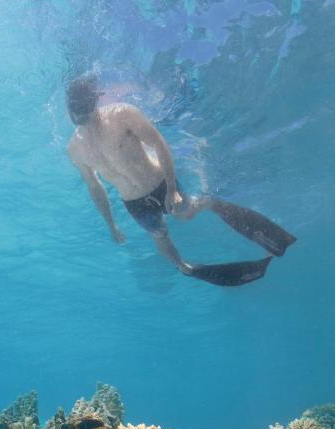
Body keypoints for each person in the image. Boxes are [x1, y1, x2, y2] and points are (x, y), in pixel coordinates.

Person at [66, 74, 296, 286]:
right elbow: (95, 187)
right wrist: (111, 224)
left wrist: (172, 189)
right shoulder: (75, 149)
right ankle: (183, 266)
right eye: (75, 110)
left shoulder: (122, 114)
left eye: (82, 108)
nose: (79, 115)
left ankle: (210, 203)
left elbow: (158, 143)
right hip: (134, 203)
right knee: (159, 236)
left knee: (186, 214)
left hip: (161, 185)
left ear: (94, 100)